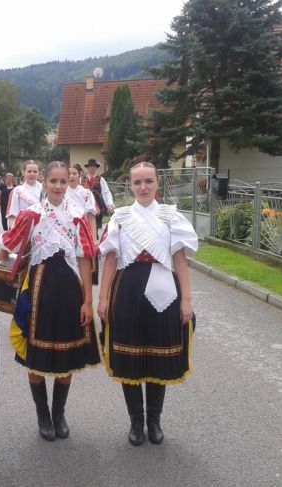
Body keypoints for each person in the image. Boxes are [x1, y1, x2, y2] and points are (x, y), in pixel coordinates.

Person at [0, 161, 100, 442]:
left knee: (67, 355)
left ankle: (59, 413)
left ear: (69, 183)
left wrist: (88, 301)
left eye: (62, 181)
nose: (57, 186)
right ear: (44, 182)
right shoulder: (32, 214)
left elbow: (84, 259)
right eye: (52, 181)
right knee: (35, 356)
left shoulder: (77, 216)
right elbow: (9, 244)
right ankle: (42, 414)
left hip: (70, 292)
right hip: (38, 290)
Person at [97, 160, 198, 447]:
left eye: (148, 181)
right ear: (130, 185)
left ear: (157, 183)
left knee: (158, 357)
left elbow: (180, 261)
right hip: (127, 291)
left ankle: (154, 420)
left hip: (165, 294)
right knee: (130, 358)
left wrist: (186, 300)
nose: (143, 187)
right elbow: (111, 259)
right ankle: (135, 422)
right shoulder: (120, 217)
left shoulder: (171, 217)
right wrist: (103, 298)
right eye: (137, 182)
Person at [6, 160, 42, 229]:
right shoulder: (18, 191)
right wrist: (14, 232)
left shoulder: (45, 190)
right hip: (23, 229)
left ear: (39, 173)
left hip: (42, 230)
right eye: (29, 171)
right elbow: (13, 215)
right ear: (23, 172)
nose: (32, 174)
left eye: (35, 172)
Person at [83, 159, 115, 232]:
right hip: (84, 206)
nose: (92, 168)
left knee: (95, 228)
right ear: (87, 168)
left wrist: (110, 205)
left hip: (96, 206)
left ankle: (94, 242)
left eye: (94, 166)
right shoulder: (82, 179)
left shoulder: (101, 179)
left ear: (96, 168)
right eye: (90, 166)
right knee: (84, 227)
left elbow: (106, 193)